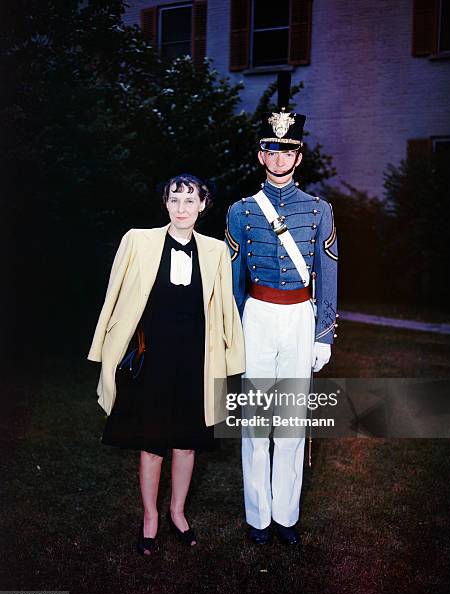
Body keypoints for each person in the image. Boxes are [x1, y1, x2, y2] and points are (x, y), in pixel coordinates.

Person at [88, 174, 245, 555]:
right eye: (175, 200)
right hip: (152, 358)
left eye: (190, 201)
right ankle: (150, 517)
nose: (181, 208)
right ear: (165, 204)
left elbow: (225, 307)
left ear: (203, 206)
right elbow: (115, 296)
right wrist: (105, 344)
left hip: (196, 359)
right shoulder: (138, 241)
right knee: (152, 442)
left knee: (187, 443)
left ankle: (177, 512)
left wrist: (233, 356)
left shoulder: (215, 251)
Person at [225, 102, 339, 545]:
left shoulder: (318, 209)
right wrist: (233, 334)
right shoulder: (240, 211)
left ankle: (286, 517)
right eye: (270, 151)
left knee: (290, 422)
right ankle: (258, 518)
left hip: (298, 317)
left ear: (298, 157)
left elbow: (328, 273)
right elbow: (235, 281)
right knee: (255, 422)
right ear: (260, 155)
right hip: (256, 316)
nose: (278, 159)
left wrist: (323, 333)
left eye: (286, 152)